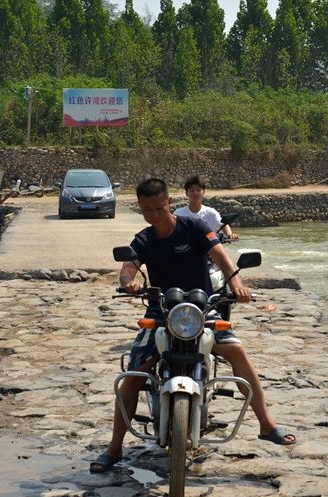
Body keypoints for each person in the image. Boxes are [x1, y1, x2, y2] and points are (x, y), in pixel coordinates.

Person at [89, 178, 295, 473]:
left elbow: (222, 258)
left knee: (237, 352)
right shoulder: (144, 239)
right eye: (147, 210)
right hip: (161, 313)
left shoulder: (195, 229)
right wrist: (129, 283)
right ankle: (114, 446)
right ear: (141, 208)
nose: (154, 215)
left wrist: (237, 283)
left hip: (203, 309)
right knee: (133, 376)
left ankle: (266, 424)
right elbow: (128, 268)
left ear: (169, 203)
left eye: (159, 208)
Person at [174, 174, 238, 240]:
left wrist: (230, 235)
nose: (195, 193)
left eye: (198, 190)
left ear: (203, 192)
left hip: (209, 248)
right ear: (187, 194)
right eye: (192, 191)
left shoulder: (211, 212)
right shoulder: (178, 214)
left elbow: (223, 225)